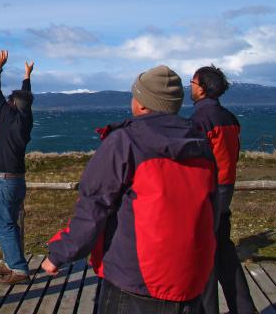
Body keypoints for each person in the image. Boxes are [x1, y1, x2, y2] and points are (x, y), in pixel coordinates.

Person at [42, 65, 217, 313]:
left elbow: (94, 207)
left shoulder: (125, 141)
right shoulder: (200, 144)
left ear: (143, 104)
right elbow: (212, 208)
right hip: (190, 277)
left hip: (136, 278)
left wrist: (59, 253)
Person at [190, 65, 257, 314]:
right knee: (224, 251)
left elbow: (195, 160)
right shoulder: (230, 118)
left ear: (203, 88)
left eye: (193, 82)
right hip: (225, 189)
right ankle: (244, 308)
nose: (191, 87)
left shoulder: (200, 120)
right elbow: (234, 154)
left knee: (204, 254)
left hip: (208, 192)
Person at [0, 50, 34, 285]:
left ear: (11, 105)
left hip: (4, 181)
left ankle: (18, 269)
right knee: (10, 223)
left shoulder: (5, 115)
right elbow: (24, 99)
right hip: (18, 181)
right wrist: (27, 77)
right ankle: (11, 262)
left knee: (4, 224)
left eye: (9, 101)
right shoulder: (25, 122)